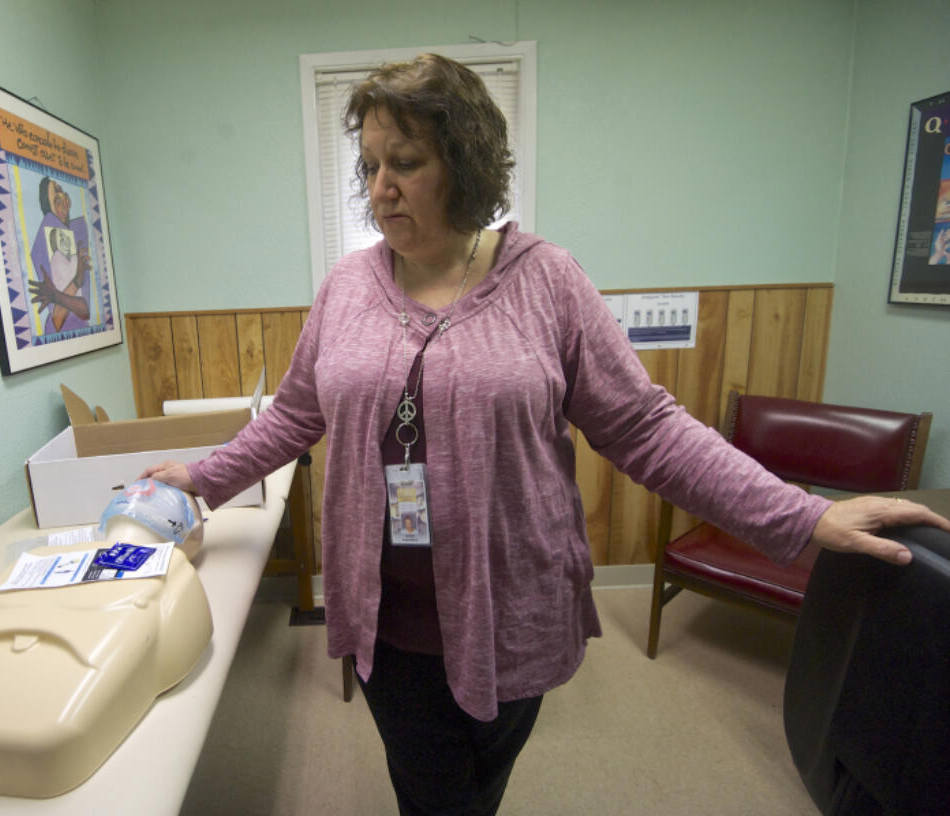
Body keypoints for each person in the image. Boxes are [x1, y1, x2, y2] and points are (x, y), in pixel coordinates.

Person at [140, 54, 950, 815]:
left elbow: (645, 427)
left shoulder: (547, 280)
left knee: (481, 777)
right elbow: (294, 413)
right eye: (368, 167)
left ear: (465, 162)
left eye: (406, 163)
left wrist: (802, 515)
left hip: (511, 604)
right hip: (385, 616)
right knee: (429, 788)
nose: (380, 190)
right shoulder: (346, 287)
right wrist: (201, 479)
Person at [28, 176, 91, 332]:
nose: (63, 200)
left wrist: (75, 283)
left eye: (63, 193)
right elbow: (57, 318)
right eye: (56, 198)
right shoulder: (44, 243)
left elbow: (84, 310)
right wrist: (68, 288)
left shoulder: (77, 239)